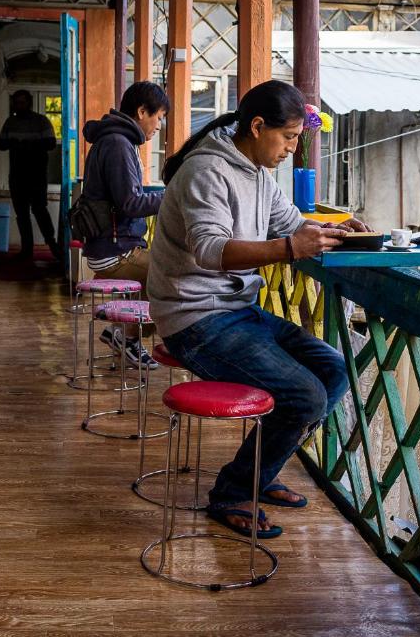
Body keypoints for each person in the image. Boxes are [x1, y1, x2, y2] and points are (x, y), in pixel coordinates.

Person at [148, 80, 367, 539]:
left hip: (236, 311)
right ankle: (232, 492)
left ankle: (257, 475)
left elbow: (288, 222)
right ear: (256, 126)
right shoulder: (206, 171)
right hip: (195, 318)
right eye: (288, 137)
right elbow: (210, 250)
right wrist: (290, 248)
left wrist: (333, 227)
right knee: (304, 396)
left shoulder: (256, 171)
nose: (292, 148)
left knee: (333, 369)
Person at [82, 81, 169, 369]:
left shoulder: (115, 140)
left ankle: (121, 333)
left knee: (167, 274)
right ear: (142, 112)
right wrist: (174, 196)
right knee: (177, 281)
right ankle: (128, 337)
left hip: (110, 245)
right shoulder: (118, 144)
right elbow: (130, 204)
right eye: (158, 117)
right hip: (116, 251)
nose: (159, 126)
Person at [0, 90, 60, 260]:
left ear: (29, 103)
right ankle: (27, 250)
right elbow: (0, 144)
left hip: (36, 175)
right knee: (22, 213)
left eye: (22, 102)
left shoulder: (41, 121)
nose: (19, 106)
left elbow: (51, 143)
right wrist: (14, 143)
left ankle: (53, 245)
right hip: (17, 175)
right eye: (16, 103)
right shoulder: (10, 122)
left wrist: (30, 145)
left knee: (39, 209)